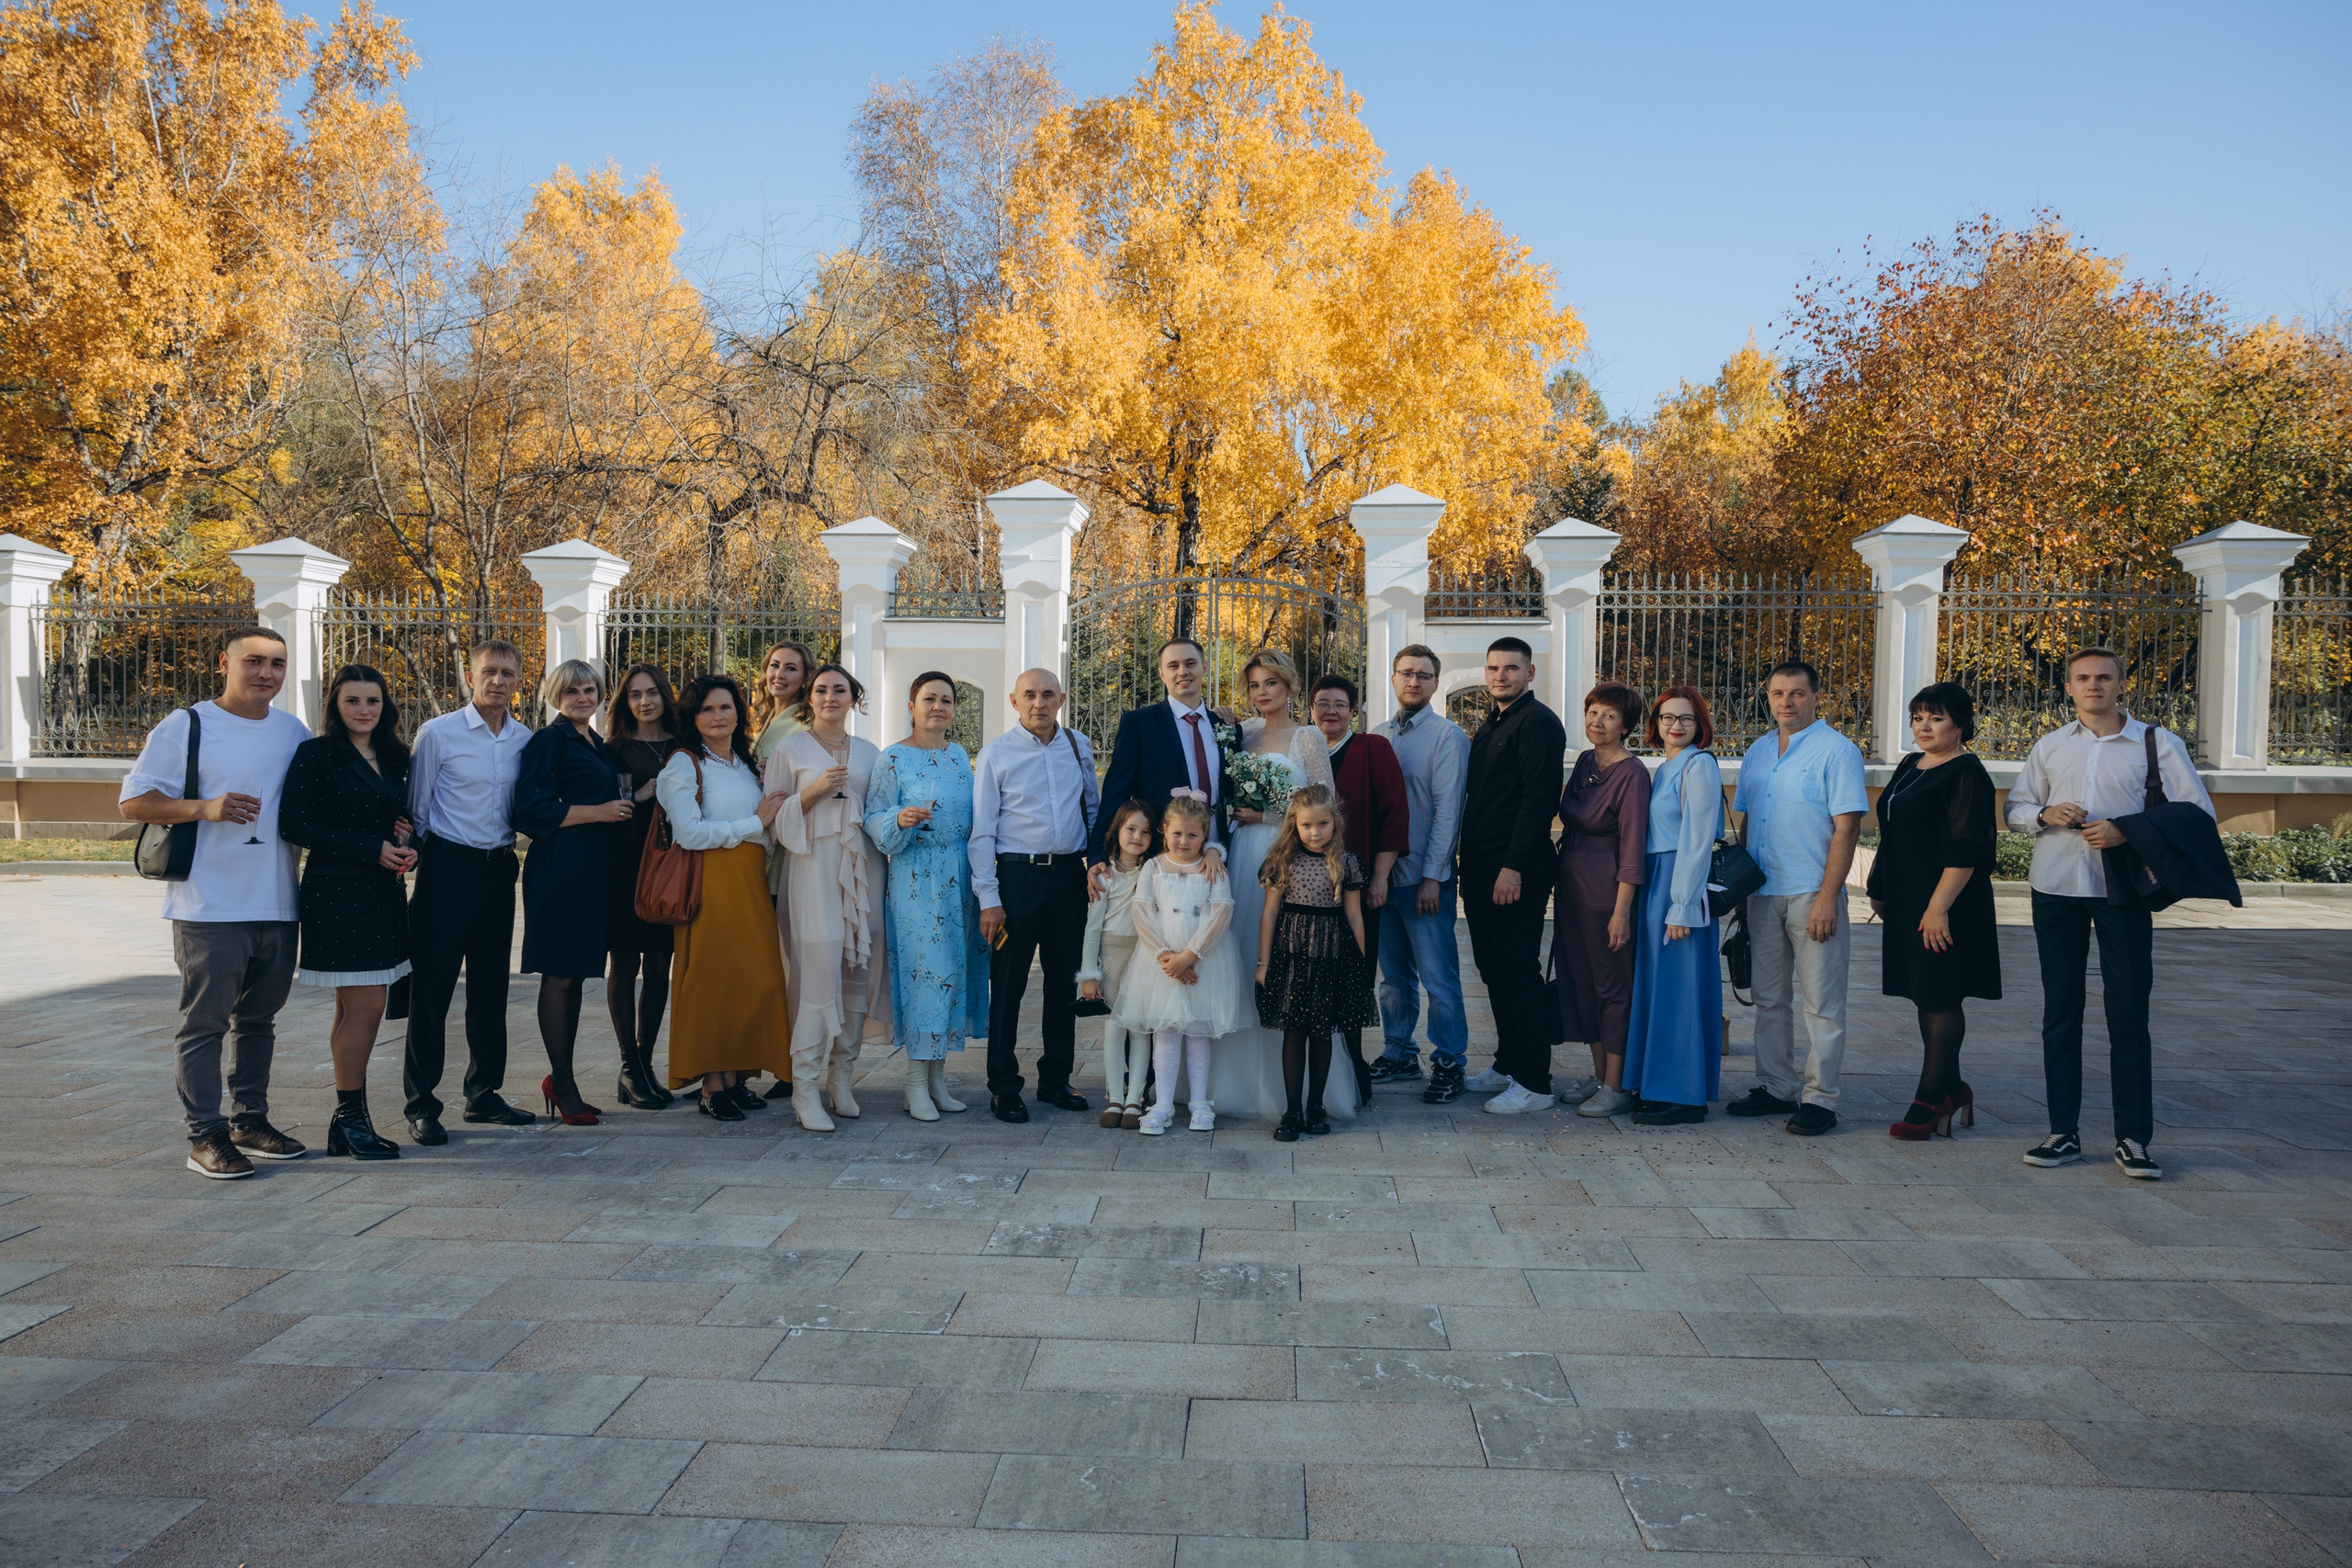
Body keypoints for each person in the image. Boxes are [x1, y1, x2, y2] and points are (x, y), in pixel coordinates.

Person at [2006, 647, 2212, 1180]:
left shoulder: (2158, 743)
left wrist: (2129, 830)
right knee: (2061, 1009)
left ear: (2122, 684)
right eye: (2082, 678)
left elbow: (2196, 812)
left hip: (2121, 888)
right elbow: (2015, 809)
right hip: (2054, 887)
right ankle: (2062, 1132)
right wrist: (2045, 813)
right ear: (2069, 688)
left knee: (2128, 1011)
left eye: (2103, 677)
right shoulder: (2049, 746)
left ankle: (2133, 1139)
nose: (2093, 685)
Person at [120, 626, 316, 1178]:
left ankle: (249, 1122)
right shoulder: (188, 724)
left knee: (259, 1021)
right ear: (224, 664)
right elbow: (133, 802)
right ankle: (204, 1137)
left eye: (277, 663)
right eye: (254, 661)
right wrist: (205, 808)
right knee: (204, 1024)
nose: (266, 673)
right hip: (210, 905)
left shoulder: (292, 731)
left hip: (278, 902)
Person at [277, 663, 416, 1160]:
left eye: (372, 701)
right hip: (337, 893)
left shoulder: (397, 754)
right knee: (366, 1007)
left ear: (385, 706)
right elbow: (295, 824)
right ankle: (352, 1118)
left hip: (384, 892)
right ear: (336, 705)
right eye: (352, 701)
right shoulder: (315, 754)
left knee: (354, 1007)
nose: (363, 710)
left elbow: (405, 818)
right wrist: (370, 847)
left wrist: (406, 842)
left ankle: (346, 1123)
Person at [400, 639, 536, 1143]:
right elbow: (418, 809)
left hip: (500, 869)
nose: (497, 680)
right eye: (488, 672)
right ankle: (421, 1104)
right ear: (470, 678)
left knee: (489, 989)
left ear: (520, 679)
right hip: (447, 868)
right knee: (431, 991)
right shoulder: (438, 734)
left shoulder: (525, 739)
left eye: (507, 672)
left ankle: (483, 1094)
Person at [1727, 660, 1868, 1138]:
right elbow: (1747, 823)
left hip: (1812, 891)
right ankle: (1775, 1086)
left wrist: (1831, 897)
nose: (1786, 702)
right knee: (1769, 999)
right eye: (1777, 694)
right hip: (1764, 893)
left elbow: (1847, 829)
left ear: (1816, 697)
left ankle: (1821, 1098)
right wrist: (1742, 891)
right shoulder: (1759, 751)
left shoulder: (1837, 751)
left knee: (1822, 1002)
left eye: (1797, 693)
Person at [1868, 682, 2000, 1142]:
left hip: (1946, 903)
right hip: (1909, 900)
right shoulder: (1911, 764)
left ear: (1960, 723)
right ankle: (1953, 1087)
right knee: (1925, 993)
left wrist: (1938, 908)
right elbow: (1892, 830)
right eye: (1917, 717)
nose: (1924, 727)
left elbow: (1966, 850)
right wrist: (1879, 889)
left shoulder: (1966, 773)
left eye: (1936, 718)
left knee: (1942, 995)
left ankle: (1929, 1100)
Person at [659, 674, 792, 1120]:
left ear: (739, 713)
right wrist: (754, 825)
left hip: (750, 881)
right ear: (692, 718)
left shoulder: (741, 762)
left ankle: (735, 1076)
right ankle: (712, 1086)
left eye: (726, 707)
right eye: (707, 709)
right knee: (713, 983)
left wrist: (763, 829)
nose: (718, 716)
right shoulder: (683, 763)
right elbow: (690, 834)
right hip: (711, 882)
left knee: (755, 979)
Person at [1215, 649, 1340, 1122]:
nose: (1261, 692)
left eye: (1270, 683)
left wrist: (1268, 815)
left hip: (1286, 853)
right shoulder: (1241, 734)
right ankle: (1234, 1080)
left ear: (1289, 686)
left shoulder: (1307, 737)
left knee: (1284, 965)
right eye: (1253, 686)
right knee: (1243, 956)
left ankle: (1287, 1091)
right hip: (1242, 852)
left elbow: (1323, 802)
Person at [971, 668, 1101, 1124]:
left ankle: (1055, 1079)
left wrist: (1098, 866)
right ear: (1014, 700)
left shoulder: (1077, 746)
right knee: (1008, 984)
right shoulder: (995, 755)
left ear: (1061, 698)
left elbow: (1092, 810)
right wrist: (989, 897)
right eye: (1030, 695)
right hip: (1016, 879)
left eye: (1048, 694)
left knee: (1065, 980)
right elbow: (982, 832)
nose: (1039, 703)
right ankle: (1004, 1085)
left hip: (1068, 877)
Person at [768, 663, 890, 1129]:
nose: (830, 697)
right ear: (810, 698)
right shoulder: (789, 749)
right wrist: (815, 791)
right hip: (811, 869)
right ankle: (804, 1088)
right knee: (818, 968)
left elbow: (879, 811)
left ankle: (842, 1076)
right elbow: (772, 820)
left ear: (853, 698)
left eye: (840, 690)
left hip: (862, 871)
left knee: (858, 963)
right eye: (821, 690)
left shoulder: (870, 752)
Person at [865, 671, 989, 1122]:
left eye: (947, 700)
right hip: (918, 880)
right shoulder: (892, 758)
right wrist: (899, 819)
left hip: (961, 877)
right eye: (929, 698)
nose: (938, 706)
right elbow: (872, 816)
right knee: (925, 977)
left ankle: (937, 1079)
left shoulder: (959, 757)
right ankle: (914, 1082)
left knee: (953, 974)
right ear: (912, 705)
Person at [513, 660, 632, 1127]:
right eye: (571, 691)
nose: (582, 698)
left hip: (592, 875)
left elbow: (613, 803)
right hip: (559, 873)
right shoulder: (549, 740)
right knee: (560, 976)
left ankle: (562, 1078)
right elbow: (531, 809)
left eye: (589, 689)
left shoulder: (595, 742)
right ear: (554, 696)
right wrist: (600, 812)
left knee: (578, 975)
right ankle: (562, 1083)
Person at [1458, 637, 1569, 1114]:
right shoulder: (1493, 722)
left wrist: (1512, 867)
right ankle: (1507, 1063)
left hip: (1514, 869)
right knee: (1492, 969)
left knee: (1518, 970)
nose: (1501, 676)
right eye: (1493, 668)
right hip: (1480, 866)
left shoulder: (1539, 723)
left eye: (1511, 668)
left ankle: (1535, 1081)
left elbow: (1537, 803)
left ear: (1530, 674)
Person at [1367, 645, 1472, 1103]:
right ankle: (1400, 1051)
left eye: (1423, 675)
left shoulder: (1449, 737)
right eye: (1406, 673)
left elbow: (1449, 811)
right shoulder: (1377, 735)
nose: (1413, 681)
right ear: (1393, 678)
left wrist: (1434, 875)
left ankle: (1449, 1062)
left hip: (1424, 881)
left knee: (1439, 978)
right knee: (1393, 978)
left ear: (1435, 682)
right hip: (1383, 879)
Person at [1622, 687, 1724, 1126]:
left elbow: (1698, 839)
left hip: (1678, 883)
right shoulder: (1664, 769)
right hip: (1655, 881)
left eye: (1685, 718)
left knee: (1680, 988)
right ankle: (1657, 1083)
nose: (1675, 725)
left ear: (1700, 723)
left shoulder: (1699, 766)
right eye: (1667, 718)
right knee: (1659, 987)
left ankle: (1685, 1096)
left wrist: (1682, 905)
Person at [1253, 784, 1378, 1143]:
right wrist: (1263, 963)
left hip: (1332, 957)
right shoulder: (1282, 859)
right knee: (1294, 1032)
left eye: (1322, 824)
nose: (1315, 832)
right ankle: (1291, 1110)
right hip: (1290, 957)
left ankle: (1316, 1106)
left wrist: (1360, 966)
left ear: (1334, 822)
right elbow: (1270, 913)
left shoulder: (1346, 861)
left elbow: (1355, 918)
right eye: (1307, 825)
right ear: (1295, 824)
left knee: (1322, 1033)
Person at [1308, 673, 1408, 1109]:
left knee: (1352, 981)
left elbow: (1394, 816)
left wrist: (1380, 878)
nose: (1331, 711)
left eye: (1340, 704)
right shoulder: (1303, 751)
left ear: (1354, 710)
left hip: (1358, 886)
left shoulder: (1373, 749)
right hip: (1307, 892)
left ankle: (1353, 1072)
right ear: (1309, 709)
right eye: (1322, 703)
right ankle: (1313, 1076)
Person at [1120, 795, 1244, 1134]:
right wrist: (1166, 957)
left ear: (1205, 834)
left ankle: (1200, 1103)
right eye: (1177, 834)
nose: (1184, 841)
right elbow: (1142, 910)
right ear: (1164, 831)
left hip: (1204, 960)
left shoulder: (1212, 868)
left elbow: (1221, 911)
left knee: (1198, 1032)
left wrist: (1189, 956)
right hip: (1159, 964)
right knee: (1167, 1031)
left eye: (1192, 835)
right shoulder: (1153, 867)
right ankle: (1162, 1103)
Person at [1556, 683, 1652, 1121]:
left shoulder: (1632, 774)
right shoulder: (1584, 761)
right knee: (1581, 980)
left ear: (1627, 725)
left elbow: (1633, 849)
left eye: (1609, 716)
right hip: (1572, 883)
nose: (1598, 721)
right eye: (1592, 711)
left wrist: (1621, 913)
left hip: (1606, 886)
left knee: (1612, 984)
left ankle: (1618, 1085)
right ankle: (1599, 1076)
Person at [602, 664, 683, 1109]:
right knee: (625, 965)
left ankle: (645, 1064)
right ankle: (628, 1065)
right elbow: (606, 806)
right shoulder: (613, 749)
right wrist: (641, 796)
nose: (644, 702)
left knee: (658, 967)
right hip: (626, 866)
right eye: (635, 695)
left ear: (665, 697)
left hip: (670, 868)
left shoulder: (683, 746)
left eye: (652, 693)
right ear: (625, 702)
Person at [1096, 637, 1233, 859]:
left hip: (1218, 854)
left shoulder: (1224, 727)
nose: (1182, 672)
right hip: (1159, 857)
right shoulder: (1139, 724)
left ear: (1204, 668)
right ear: (1162, 674)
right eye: (1173, 666)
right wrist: (1097, 856)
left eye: (1190, 663)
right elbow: (1115, 794)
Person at [749, 640, 814, 1101]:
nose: (780, 674)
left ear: (805, 677)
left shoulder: (805, 720)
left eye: (791, 668)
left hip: (789, 851)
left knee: (788, 963)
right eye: (774, 666)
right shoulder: (762, 717)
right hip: (760, 846)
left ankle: (792, 1066)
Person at [1080, 801, 1156, 1128]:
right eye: (1131, 829)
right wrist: (1089, 974)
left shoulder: (1153, 873)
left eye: (1145, 831)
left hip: (1142, 957)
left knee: (1140, 1029)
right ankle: (1114, 1097)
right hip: (1111, 956)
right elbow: (1092, 927)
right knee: (1114, 1029)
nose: (1137, 836)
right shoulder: (1104, 875)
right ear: (1117, 831)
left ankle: (1135, 1099)